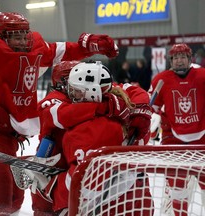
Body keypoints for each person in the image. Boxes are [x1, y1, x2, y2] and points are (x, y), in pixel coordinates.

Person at [0, 11, 119, 215]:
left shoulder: (35, 46)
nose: (23, 39)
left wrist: (89, 47)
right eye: (16, 35)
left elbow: (61, 51)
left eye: (24, 33)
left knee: (13, 201)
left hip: (10, 137)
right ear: (2, 36)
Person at [25, 61, 153, 215]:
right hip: (134, 197)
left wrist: (50, 189)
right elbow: (60, 114)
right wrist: (106, 107)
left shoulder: (91, 127)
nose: (70, 91)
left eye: (74, 87)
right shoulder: (109, 103)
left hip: (103, 199)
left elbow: (85, 184)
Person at [149, 43, 205, 216]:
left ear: (190, 59)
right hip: (174, 141)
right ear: (171, 61)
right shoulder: (160, 80)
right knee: (177, 189)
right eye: (175, 58)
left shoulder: (203, 76)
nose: (179, 61)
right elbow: (153, 109)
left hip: (202, 139)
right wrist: (151, 124)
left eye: (183, 57)